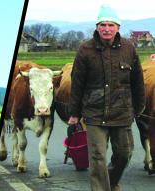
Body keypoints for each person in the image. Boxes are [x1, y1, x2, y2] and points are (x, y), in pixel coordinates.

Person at [68, 5, 145, 191]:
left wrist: (139, 108)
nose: (107, 28)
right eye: (103, 24)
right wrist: (74, 113)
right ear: (97, 27)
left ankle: (110, 182)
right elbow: (77, 83)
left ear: (118, 27)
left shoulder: (129, 48)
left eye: (111, 24)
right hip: (94, 113)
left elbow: (138, 81)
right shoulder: (85, 50)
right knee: (97, 157)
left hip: (122, 112)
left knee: (124, 154)